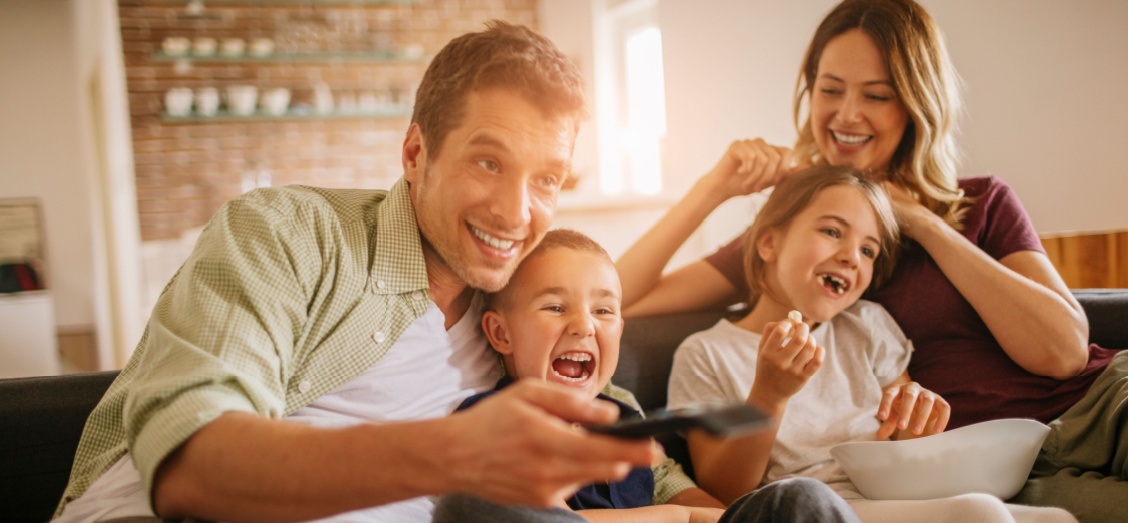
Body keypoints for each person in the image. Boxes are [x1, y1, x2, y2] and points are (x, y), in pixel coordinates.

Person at [54, 21, 661, 522]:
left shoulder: (514, 301)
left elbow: (606, 366)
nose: (516, 211)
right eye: (487, 161)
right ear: (416, 154)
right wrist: (453, 454)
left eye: (547, 179)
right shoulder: (287, 233)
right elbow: (191, 463)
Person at [617, 1, 1128, 521]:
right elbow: (617, 297)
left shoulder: (980, 202)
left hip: (1105, 403)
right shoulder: (795, 239)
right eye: (830, 89)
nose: (847, 114)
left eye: (877, 95)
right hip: (1005, 466)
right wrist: (710, 190)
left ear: (914, 103)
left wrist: (922, 221)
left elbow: (1065, 352)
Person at [667, 165, 1074, 523]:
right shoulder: (705, 353)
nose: (851, 257)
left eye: (868, 250)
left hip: (891, 497)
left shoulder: (867, 324)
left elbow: (905, 447)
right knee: (978, 513)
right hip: (816, 507)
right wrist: (768, 396)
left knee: (1056, 519)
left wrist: (917, 422)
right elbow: (724, 493)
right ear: (768, 243)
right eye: (831, 232)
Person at [434, 228, 862, 523]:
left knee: (800, 498)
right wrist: (679, 518)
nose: (585, 326)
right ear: (499, 332)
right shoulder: (494, 421)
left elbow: (703, 508)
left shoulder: (626, 419)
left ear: (620, 329)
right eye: (555, 307)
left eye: (604, 311)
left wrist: (704, 514)